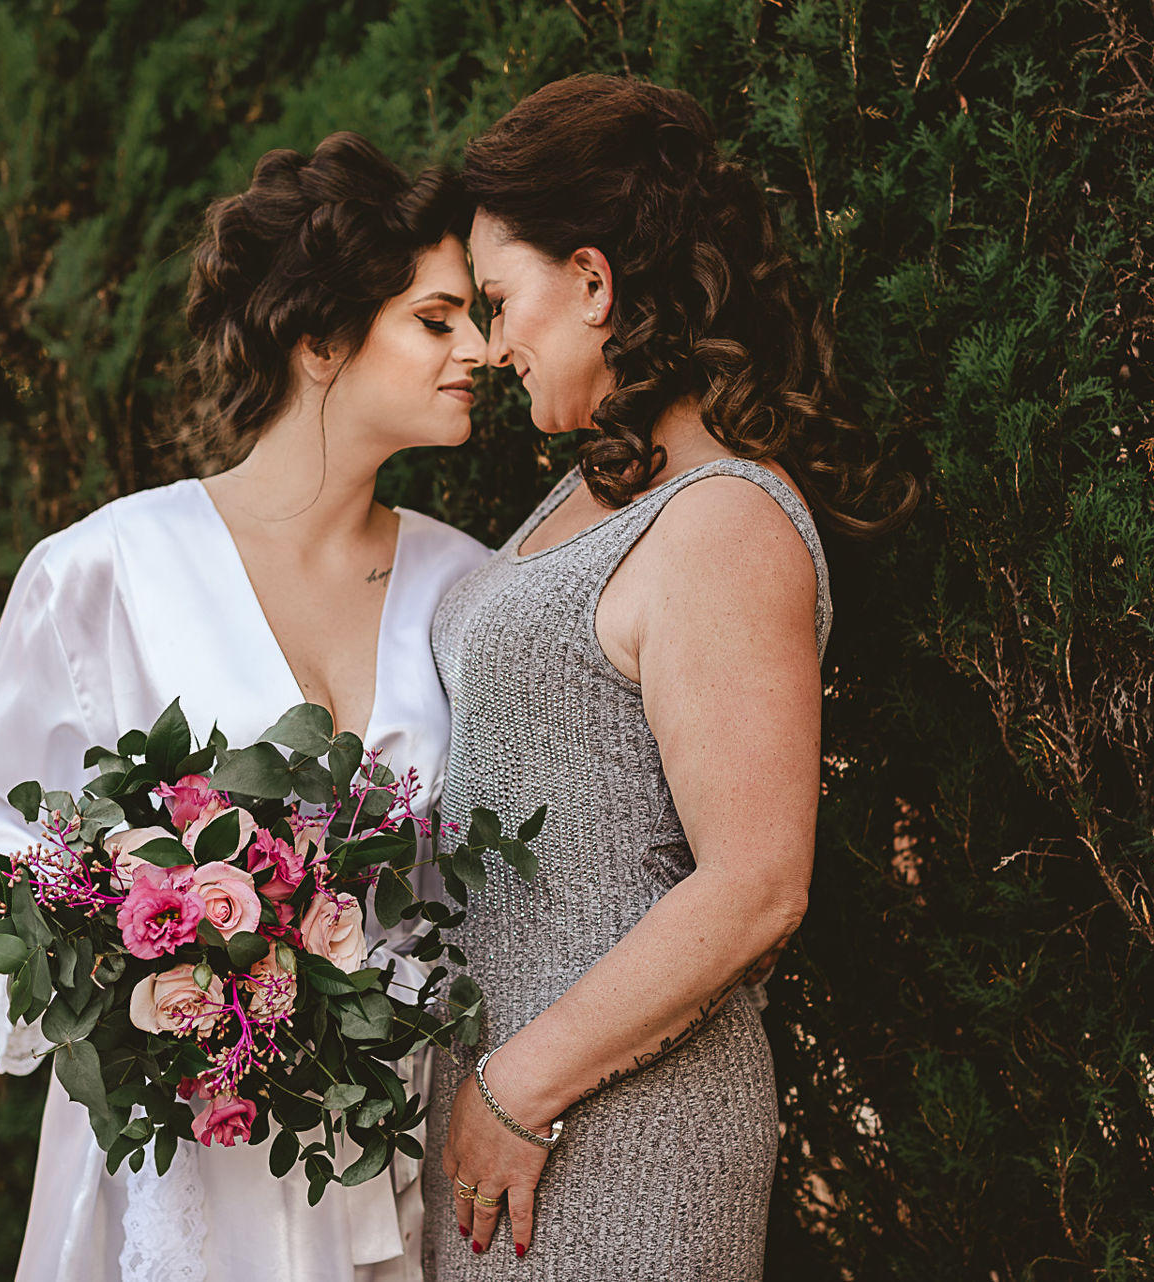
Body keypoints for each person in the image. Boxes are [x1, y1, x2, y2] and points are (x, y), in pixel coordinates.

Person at [0, 131, 489, 1282]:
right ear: (320, 337)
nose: (480, 348)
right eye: (437, 319)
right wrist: (117, 955)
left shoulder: (470, 587)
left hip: (391, 1144)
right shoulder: (106, 571)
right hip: (181, 1152)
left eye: (476, 316)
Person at [423, 76, 915, 1279]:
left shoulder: (724, 520)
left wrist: (519, 1085)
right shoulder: (584, 490)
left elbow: (756, 883)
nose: (488, 347)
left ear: (594, 280)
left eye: (500, 301)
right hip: (502, 1131)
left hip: (608, 1136)